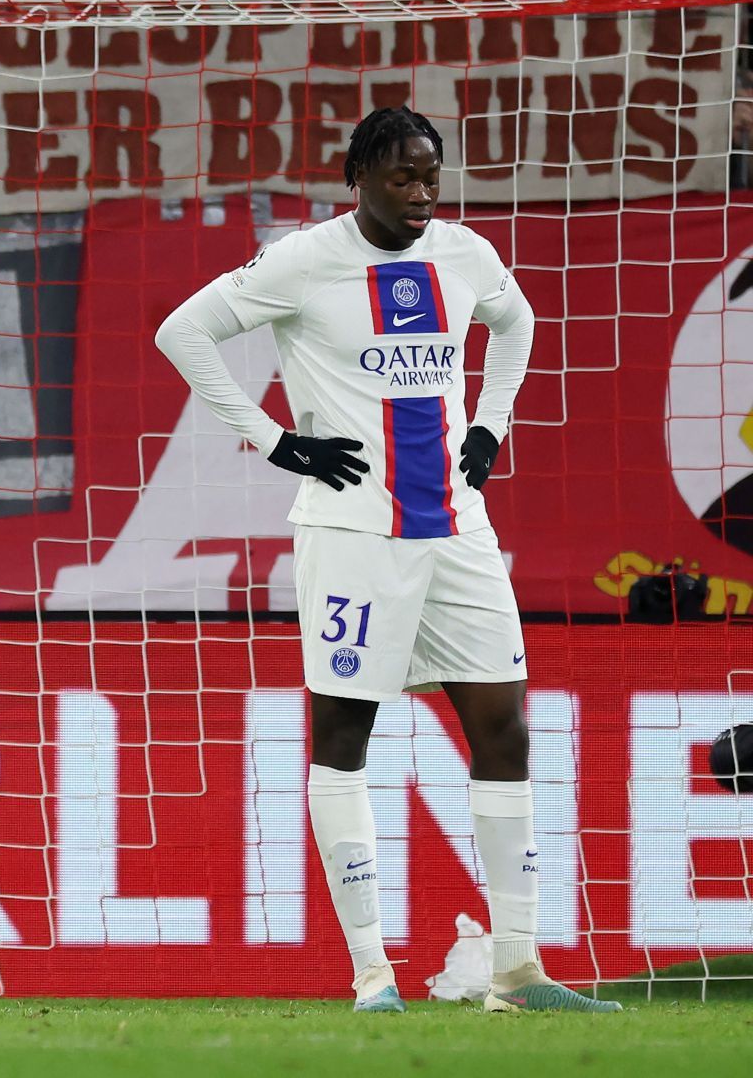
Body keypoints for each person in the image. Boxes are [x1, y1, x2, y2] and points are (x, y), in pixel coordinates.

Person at [153, 107, 619, 1015]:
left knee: (505, 727)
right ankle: (373, 971)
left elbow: (516, 323)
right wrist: (274, 441)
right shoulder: (302, 260)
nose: (421, 194)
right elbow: (183, 332)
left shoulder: (463, 252)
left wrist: (491, 422)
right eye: (402, 176)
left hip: (456, 528)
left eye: (430, 177)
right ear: (357, 175)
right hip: (351, 534)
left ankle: (518, 969)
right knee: (344, 740)